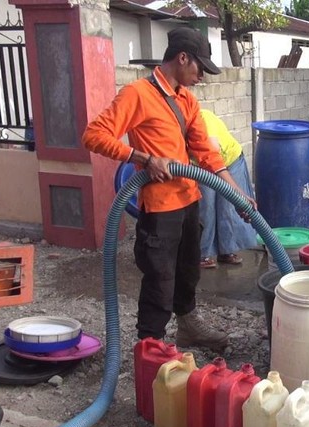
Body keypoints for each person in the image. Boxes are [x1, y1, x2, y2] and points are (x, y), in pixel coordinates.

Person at [81, 26, 256, 351]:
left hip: (190, 201)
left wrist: (237, 194)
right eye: (200, 68)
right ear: (183, 58)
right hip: (160, 209)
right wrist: (143, 158)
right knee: (160, 281)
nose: (202, 76)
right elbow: (93, 135)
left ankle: (188, 327)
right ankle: (151, 346)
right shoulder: (137, 94)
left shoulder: (187, 100)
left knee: (188, 272)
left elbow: (206, 152)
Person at [198, 109, 258, 268]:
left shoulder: (203, 118)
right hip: (199, 166)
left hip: (230, 161)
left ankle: (227, 251)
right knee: (206, 208)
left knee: (229, 208)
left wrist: (238, 193)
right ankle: (202, 253)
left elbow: (213, 152)